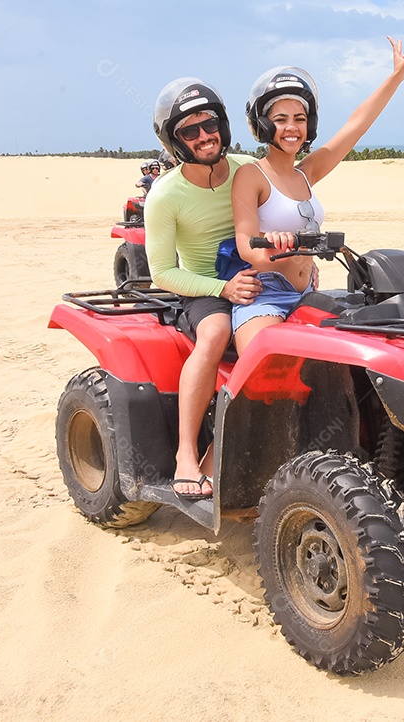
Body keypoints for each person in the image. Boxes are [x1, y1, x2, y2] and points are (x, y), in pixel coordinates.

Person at [231, 37, 404, 352]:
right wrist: (276, 244)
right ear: (263, 125)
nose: (292, 127)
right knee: (266, 366)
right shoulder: (251, 175)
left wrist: (395, 78)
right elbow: (247, 245)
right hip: (266, 295)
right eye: (280, 120)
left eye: (299, 119)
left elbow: (355, 126)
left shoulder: (307, 172)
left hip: (308, 295)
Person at [145, 77, 263, 500]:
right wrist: (223, 288)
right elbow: (162, 272)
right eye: (189, 131)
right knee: (215, 333)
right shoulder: (165, 195)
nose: (204, 136)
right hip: (204, 290)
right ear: (175, 141)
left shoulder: (248, 170)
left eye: (209, 123)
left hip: (260, 282)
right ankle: (188, 454)